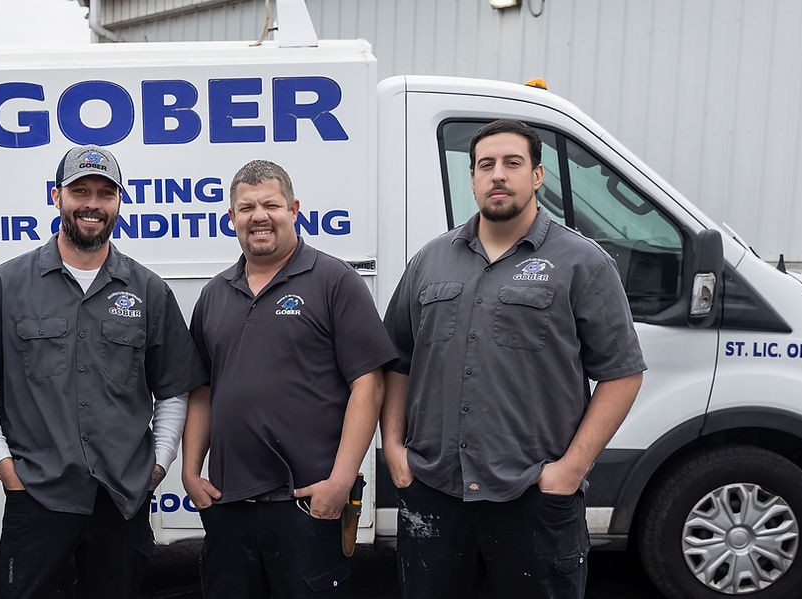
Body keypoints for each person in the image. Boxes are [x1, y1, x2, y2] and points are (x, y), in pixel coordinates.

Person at [381, 119, 647, 598]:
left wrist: (570, 470)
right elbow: (398, 360)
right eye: (485, 165)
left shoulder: (582, 262)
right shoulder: (429, 261)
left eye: (512, 163)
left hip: (533, 496)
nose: (498, 174)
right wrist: (396, 450)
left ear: (537, 175)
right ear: (472, 179)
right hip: (436, 493)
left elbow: (622, 374)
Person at [0, 145, 206, 599]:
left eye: (105, 193)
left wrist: (157, 465)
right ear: (57, 196)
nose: (92, 204)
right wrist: (5, 469)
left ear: (119, 202)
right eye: (80, 191)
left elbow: (173, 390)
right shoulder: (6, 285)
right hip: (37, 496)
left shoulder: (149, 290)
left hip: (122, 500)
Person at [181, 160, 396, 598]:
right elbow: (202, 390)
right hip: (229, 506)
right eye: (246, 208)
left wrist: (340, 481)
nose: (258, 216)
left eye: (271, 205)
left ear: (294, 209)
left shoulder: (334, 281)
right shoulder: (214, 294)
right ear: (231, 217)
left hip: (307, 505)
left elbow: (369, 385)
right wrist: (189, 471)